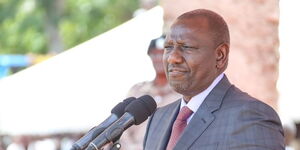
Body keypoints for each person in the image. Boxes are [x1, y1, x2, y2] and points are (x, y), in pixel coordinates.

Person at [143, 9, 284, 150]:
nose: (173, 58)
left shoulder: (251, 117)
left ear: (220, 55)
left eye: (186, 47)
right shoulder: (158, 118)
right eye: (168, 47)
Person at [120, 36, 181, 150]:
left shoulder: (181, 94)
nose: (158, 59)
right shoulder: (137, 91)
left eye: (162, 53)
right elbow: (122, 127)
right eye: (154, 54)